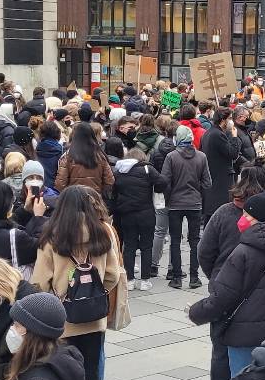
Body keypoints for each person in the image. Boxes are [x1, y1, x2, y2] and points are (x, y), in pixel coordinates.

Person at [28, 185, 124, 380]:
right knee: (90, 373)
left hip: (63, 319)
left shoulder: (52, 236)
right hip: (93, 319)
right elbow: (113, 274)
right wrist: (95, 292)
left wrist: (57, 298)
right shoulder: (102, 231)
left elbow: (39, 282)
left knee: (64, 374)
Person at [189, 192, 265, 380]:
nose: (242, 220)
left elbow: (223, 294)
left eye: (247, 216)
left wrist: (197, 311)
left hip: (243, 336)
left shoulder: (242, 252)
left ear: (258, 219)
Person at [161, 126, 211, 289]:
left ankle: (177, 277)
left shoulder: (171, 157)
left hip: (175, 203)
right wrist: (197, 190)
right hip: (194, 203)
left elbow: (164, 182)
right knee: (194, 240)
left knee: (175, 241)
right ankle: (194, 277)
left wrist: (169, 197)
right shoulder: (201, 157)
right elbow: (207, 183)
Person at [110, 148, 165, 291]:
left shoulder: (119, 172)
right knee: (147, 246)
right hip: (146, 213)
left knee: (129, 245)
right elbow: (163, 182)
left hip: (127, 214)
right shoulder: (148, 169)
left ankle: (130, 280)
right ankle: (145, 280)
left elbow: (113, 193)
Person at [54, 122, 115, 196]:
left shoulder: (68, 156)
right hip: (95, 197)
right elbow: (110, 180)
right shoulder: (100, 155)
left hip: (74, 197)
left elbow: (60, 183)